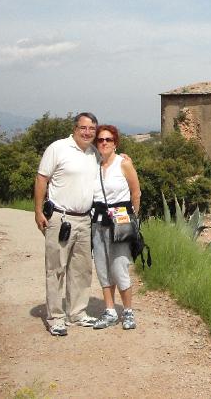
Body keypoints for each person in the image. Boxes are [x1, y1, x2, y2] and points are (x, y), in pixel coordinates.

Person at [34, 112, 101, 336]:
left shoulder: (94, 154)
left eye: (92, 129)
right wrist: (37, 210)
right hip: (60, 218)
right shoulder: (58, 148)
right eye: (84, 127)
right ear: (75, 128)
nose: (87, 132)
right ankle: (55, 317)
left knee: (81, 269)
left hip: (85, 219)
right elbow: (42, 178)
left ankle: (77, 313)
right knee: (56, 268)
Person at [91, 124, 142, 331]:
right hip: (98, 220)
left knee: (119, 265)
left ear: (115, 143)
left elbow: (136, 192)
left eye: (108, 140)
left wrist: (133, 219)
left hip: (120, 219)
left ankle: (128, 311)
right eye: (101, 140)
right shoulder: (92, 164)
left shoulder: (124, 164)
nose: (104, 143)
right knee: (102, 265)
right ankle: (110, 310)